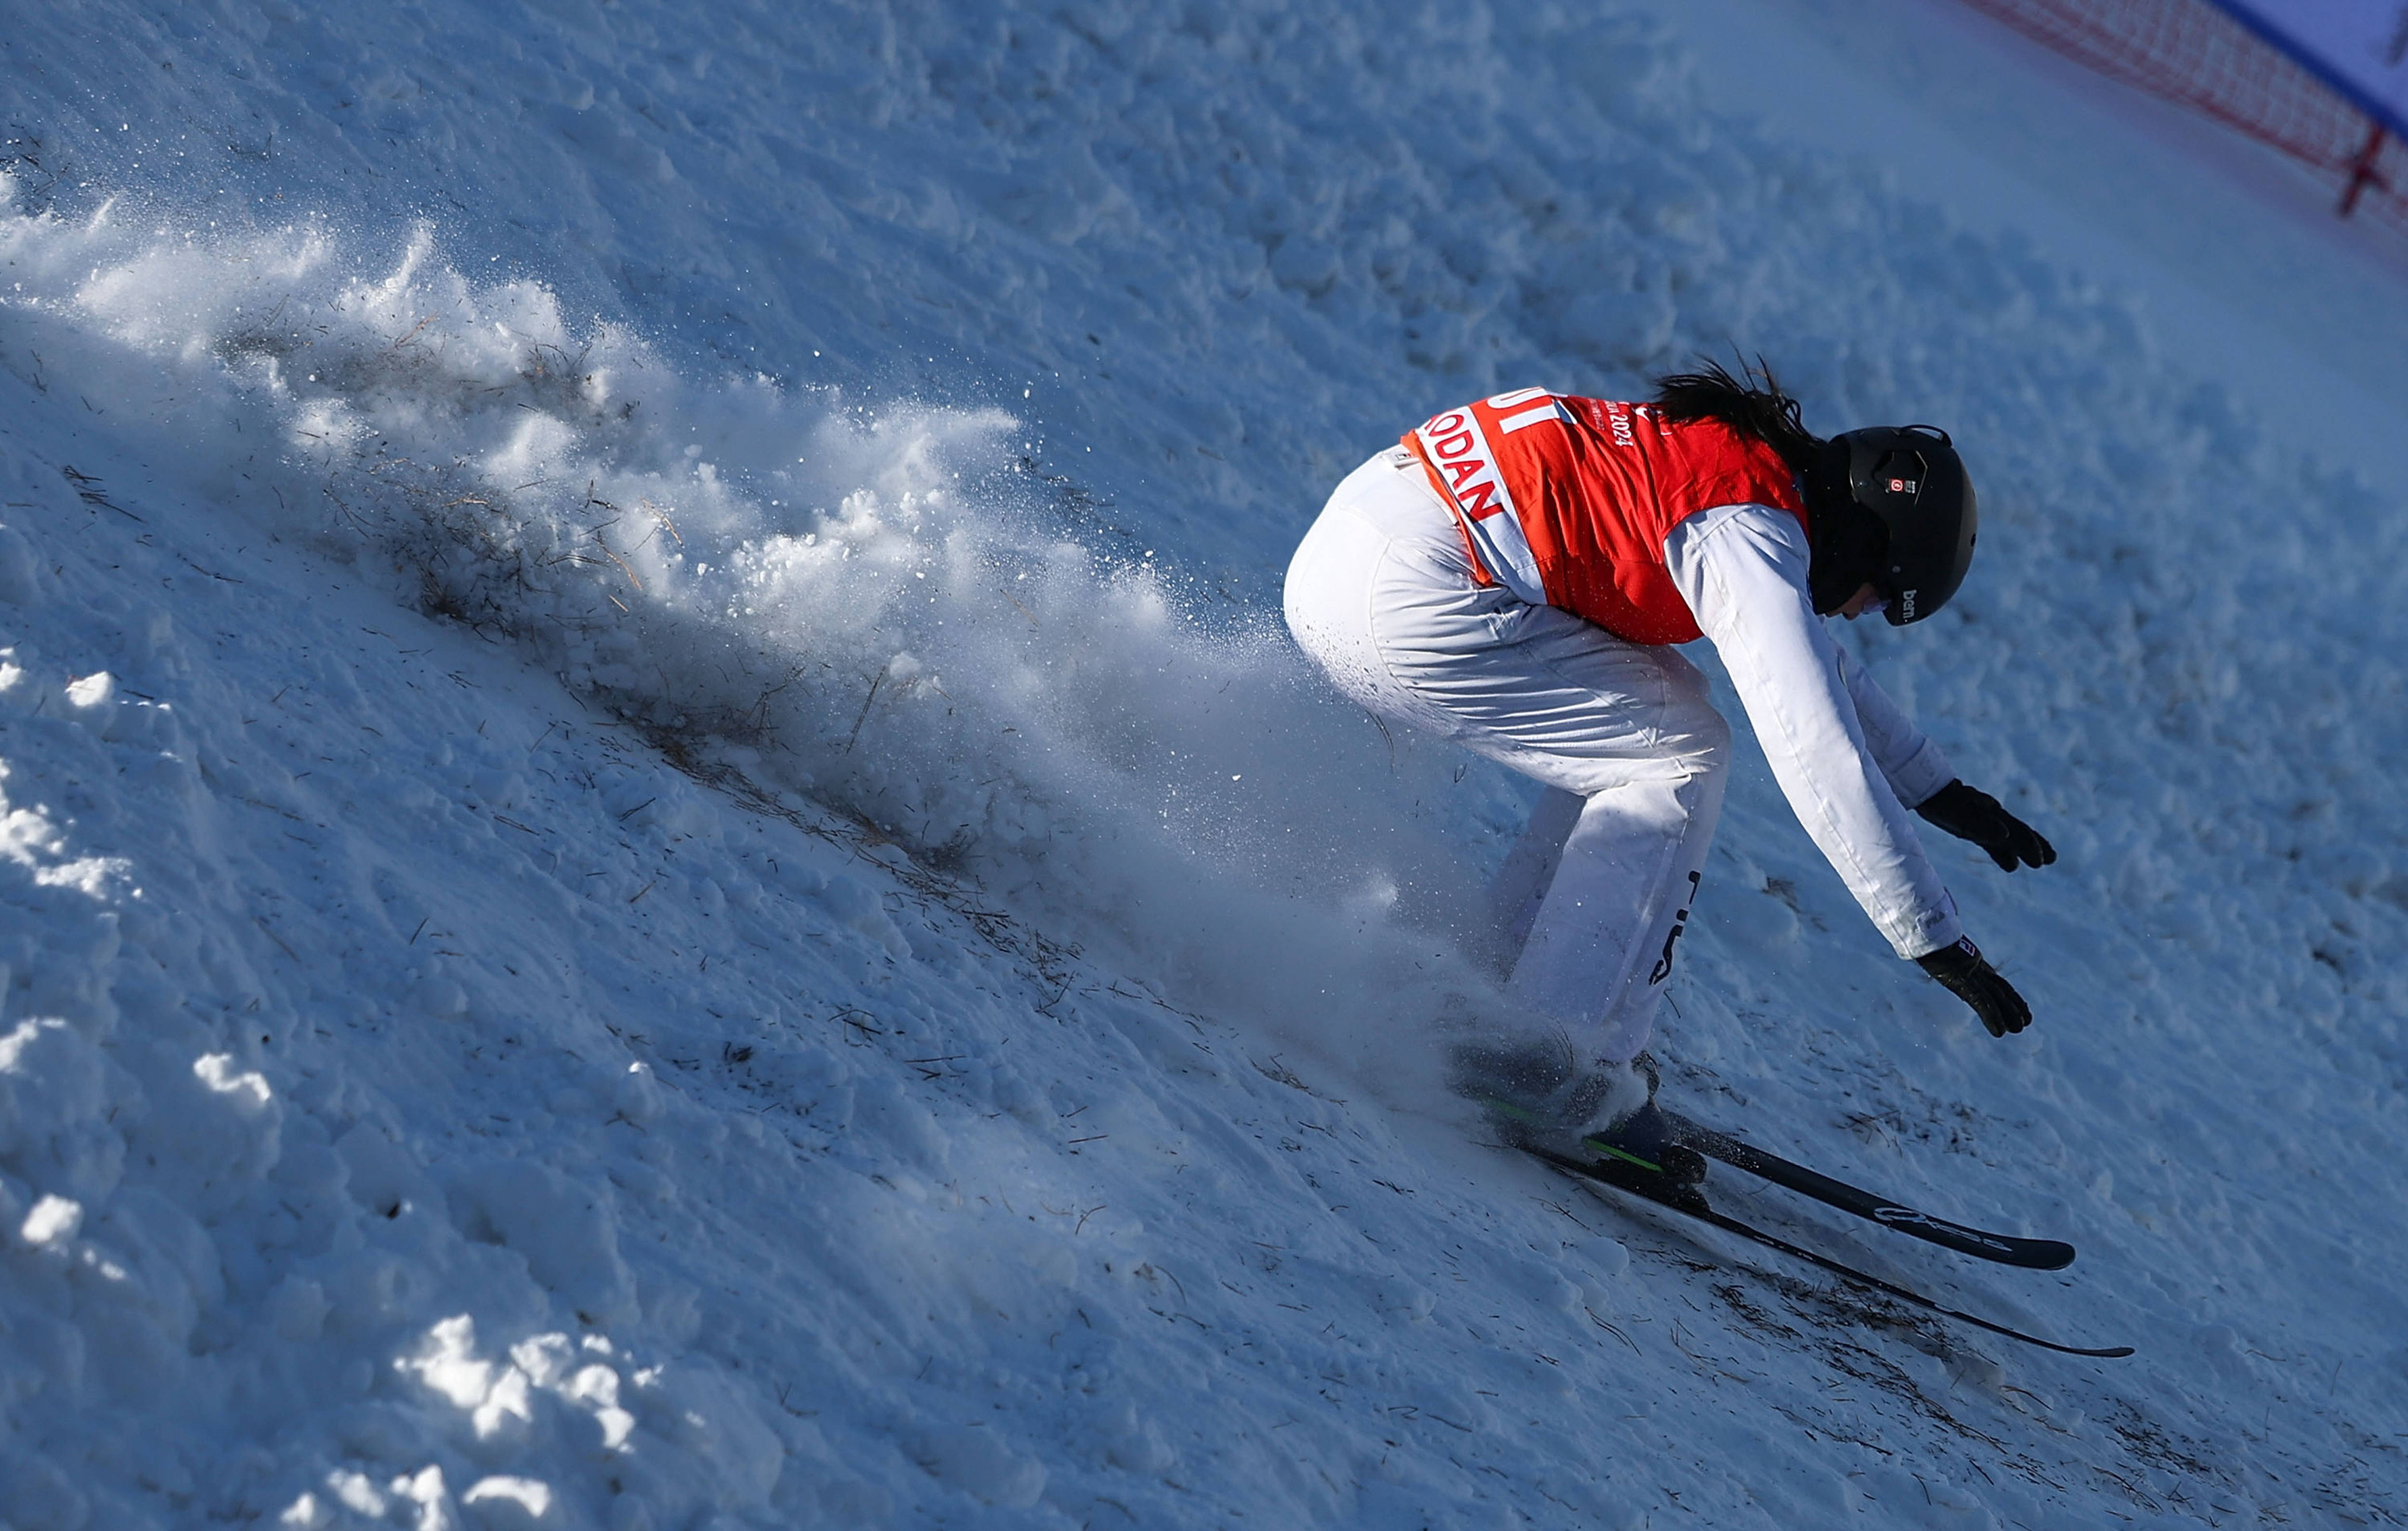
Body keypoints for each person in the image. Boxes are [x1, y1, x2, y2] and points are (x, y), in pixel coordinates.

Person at [1282, 362, 2055, 1180]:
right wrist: (1931, 936)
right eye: (1875, 594)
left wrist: (1936, 787)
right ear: (1864, 539)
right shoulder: (1744, 529)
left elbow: (1811, 661)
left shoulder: (1736, 474)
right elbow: (1815, 742)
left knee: (1658, 714)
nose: (1852, 611)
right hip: (1411, 595)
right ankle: (1548, 1058)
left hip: (1354, 554)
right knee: (1682, 754)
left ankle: (1501, 992)